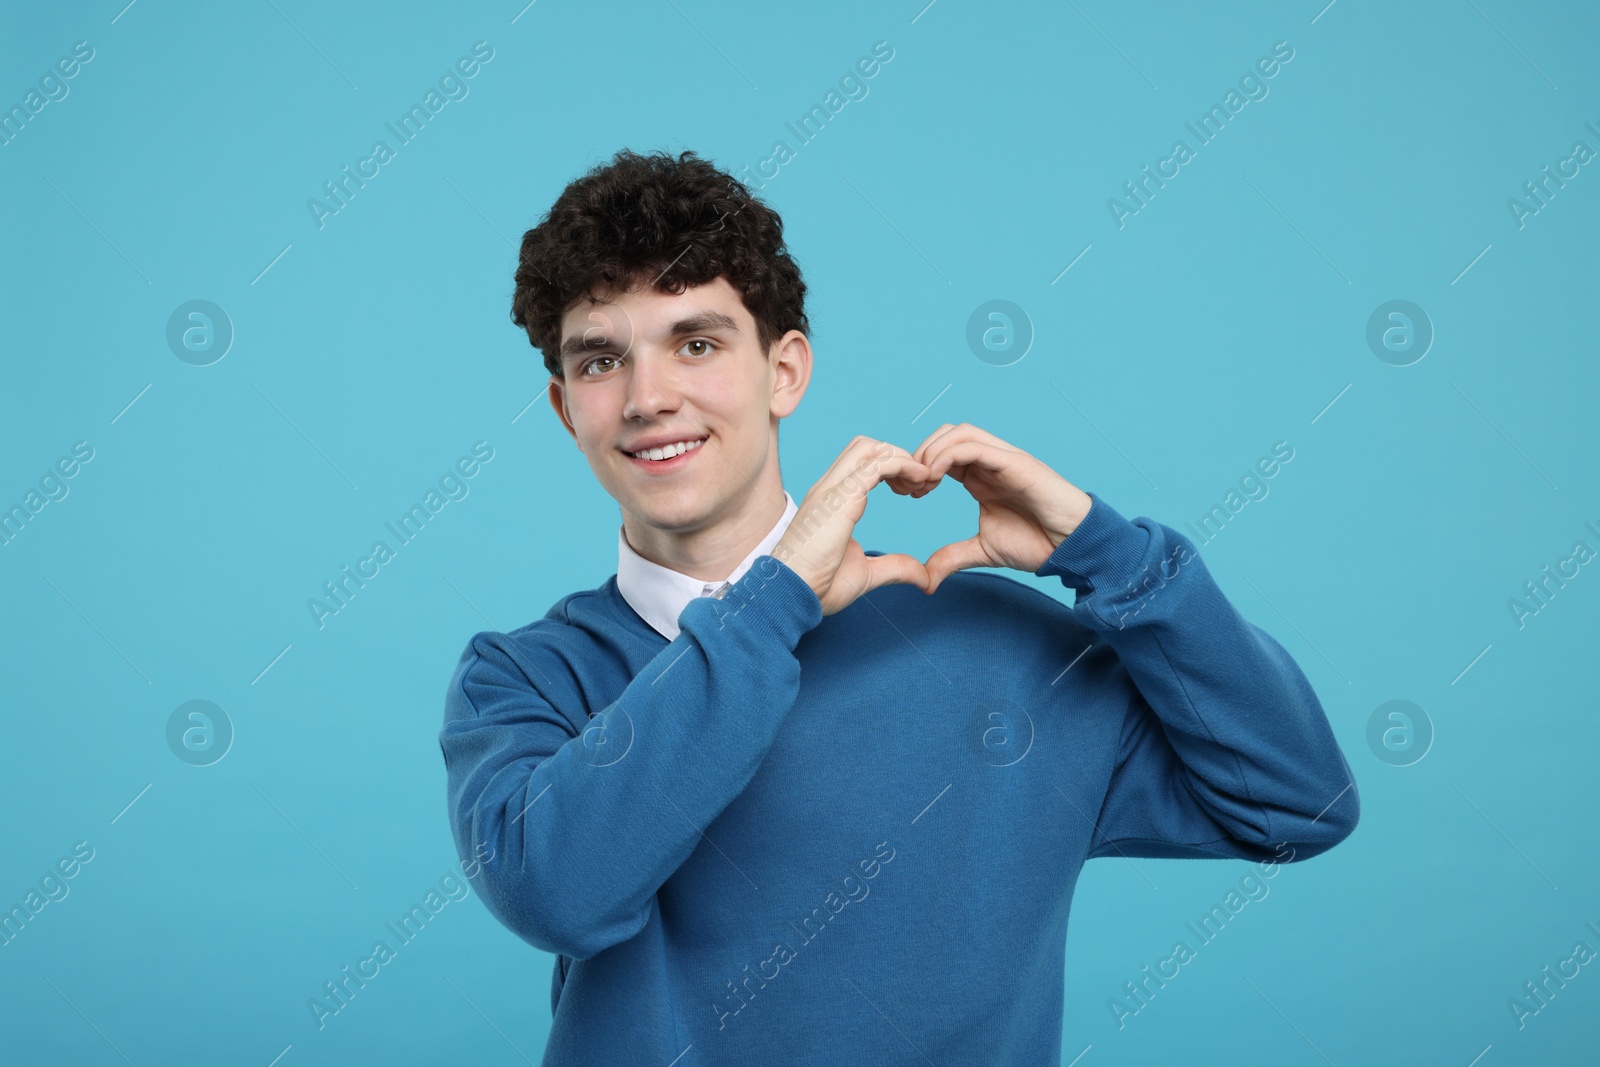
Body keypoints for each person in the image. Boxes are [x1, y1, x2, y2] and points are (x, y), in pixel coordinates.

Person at [437, 148, 1360, 1065]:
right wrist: (773, 606)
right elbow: (558, 892)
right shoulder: (523, 678)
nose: (648, 398)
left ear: (785, 371)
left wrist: (1112, 553)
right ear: (567, 409)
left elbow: (1297, 802)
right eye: (602, 361)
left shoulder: (997, 646)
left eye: (698, 343)